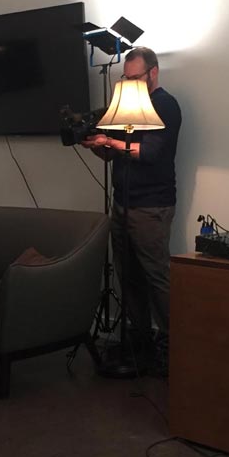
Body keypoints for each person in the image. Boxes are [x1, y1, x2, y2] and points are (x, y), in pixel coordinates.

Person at [82, 46, 181, 375]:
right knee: (129, 276)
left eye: (135, 77)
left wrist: (111, 143)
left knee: (156, 277)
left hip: (152, 205)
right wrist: (97, 144)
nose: (130, 83)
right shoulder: (125, 105)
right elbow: (114, 156)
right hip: (123, 202)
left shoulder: (165, 104)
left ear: (153, 73)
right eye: (125, 77)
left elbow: (150, 153)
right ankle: (141, 342)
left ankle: (173, 345)